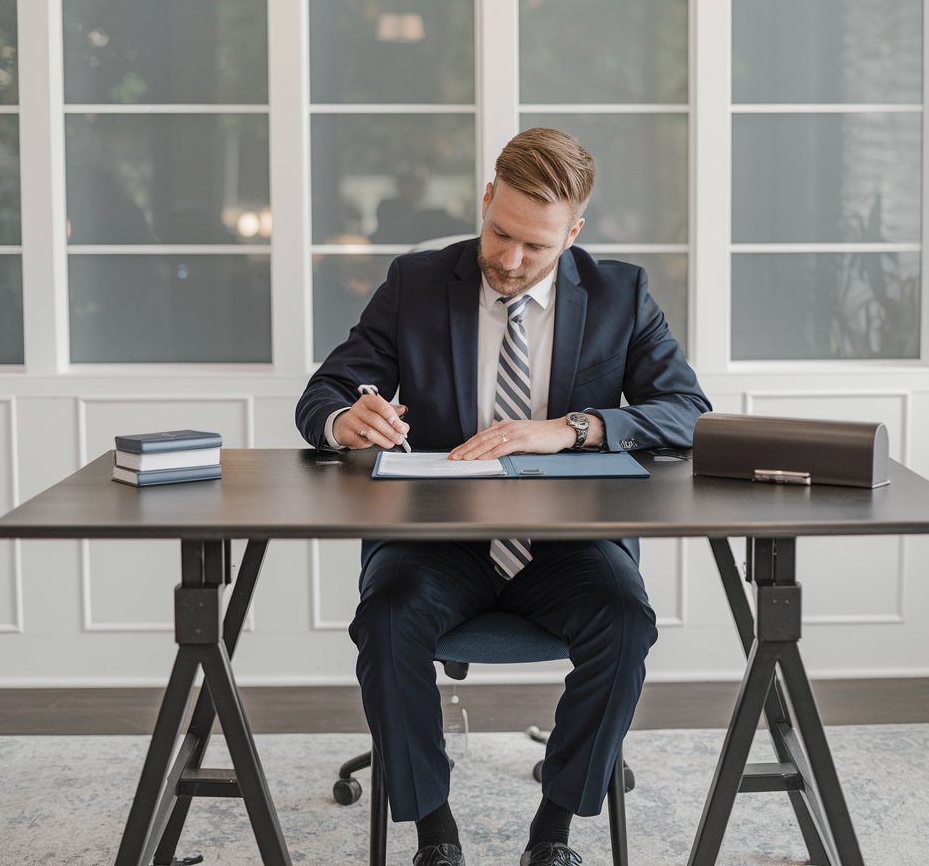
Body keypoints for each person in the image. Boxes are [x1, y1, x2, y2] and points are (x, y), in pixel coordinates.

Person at [296, 127, 711, 866]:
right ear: (486, 198)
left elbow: (687, 411)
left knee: (626, 623)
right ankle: (435, 835)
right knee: (387, 620)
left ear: (574, 233)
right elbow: (322, 394)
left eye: (537, 247)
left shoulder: (621, 293)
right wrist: (343, 418)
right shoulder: (416, 282)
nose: (511, 261)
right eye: (501, 233)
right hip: (436, 543)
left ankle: (552, 832)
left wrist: (573, 428)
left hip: (568, 546)